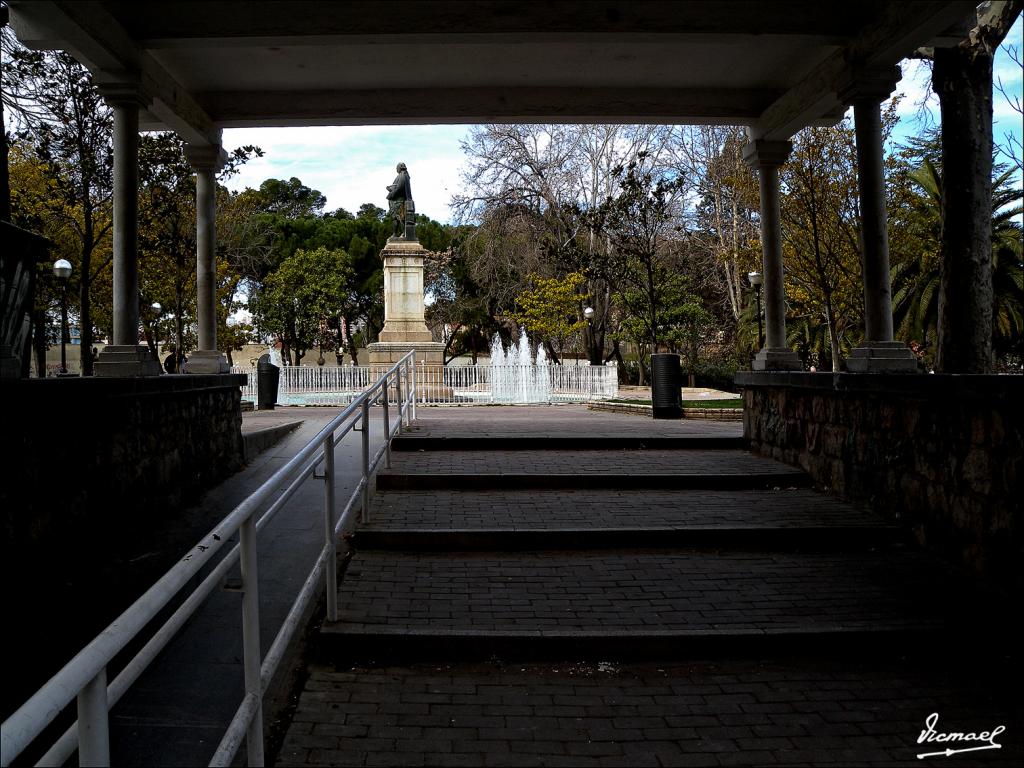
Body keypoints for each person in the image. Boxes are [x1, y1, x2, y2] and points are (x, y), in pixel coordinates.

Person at [385, 162, 412, 238]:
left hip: (399, 201)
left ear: (400, 167)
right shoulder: (401, 175)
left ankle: (404, 234)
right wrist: (390, 189)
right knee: (395, 218)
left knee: (401, 218)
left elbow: (399, 188)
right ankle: (395, 234)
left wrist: (391, 193)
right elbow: (397, 187)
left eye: (397, 167)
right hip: (395, 201)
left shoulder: (403, 175)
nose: (396, 169)